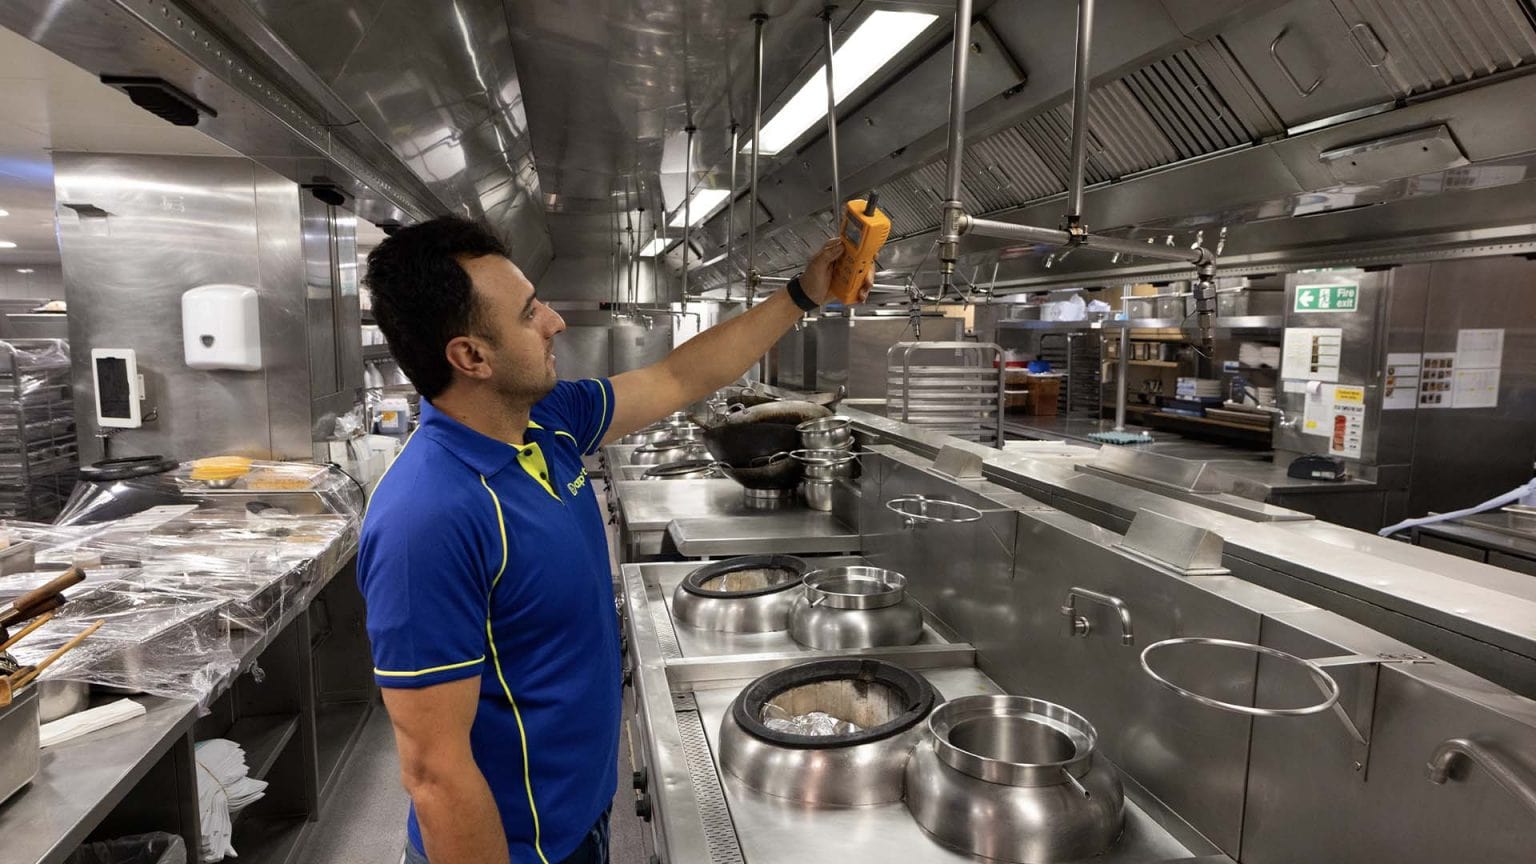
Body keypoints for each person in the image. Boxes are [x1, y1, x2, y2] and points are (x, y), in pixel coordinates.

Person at [357, 215, 870, 864]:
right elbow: (435, 774)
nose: (555, 321)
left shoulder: (548, 420)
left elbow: (681, 379)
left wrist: (801, 294)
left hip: (580, 816)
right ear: (471, 357)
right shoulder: (425, 518)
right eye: (528, 313)